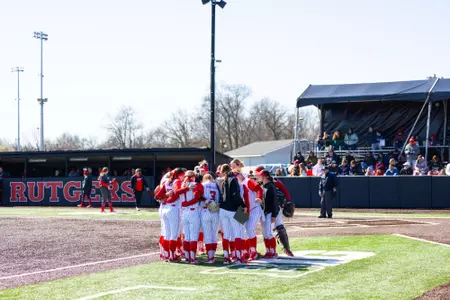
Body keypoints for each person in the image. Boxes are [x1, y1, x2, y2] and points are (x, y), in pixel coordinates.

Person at [155, 168, 186, 262]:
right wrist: (187, 188)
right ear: (179, 174)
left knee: (167, 234)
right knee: (174, 234)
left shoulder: (167, 181)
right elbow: (176, 192)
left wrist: (166, 196)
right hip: (173, 209)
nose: (184, 176)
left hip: (165, 208)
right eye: (183, 174)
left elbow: (157, 196)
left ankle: (167, 255)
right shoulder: (177, 181)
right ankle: (172, 256)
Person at [218, 164, 246, 264]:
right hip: (233, 209)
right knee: (238, 232)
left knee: (226, 233)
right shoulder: (233, 180)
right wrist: (243, 205)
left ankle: (226, 257)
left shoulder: (219, 180)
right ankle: (238, 257)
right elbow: (236, 195)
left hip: (222, 209)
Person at [179, 170, 204, 264]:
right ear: (193, 176)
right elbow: (197, 197)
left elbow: (177, 193)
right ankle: (193, 258)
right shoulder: (197, 185)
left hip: (184, 212)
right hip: (193, 211)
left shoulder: (182, 185)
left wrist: (184, 203)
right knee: (193, 236)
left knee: (186, 236)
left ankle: (187, 258)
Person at [255, 169, 279, 258]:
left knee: (268, 232)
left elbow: (274, 202)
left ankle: (273, 251)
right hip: (264, 212)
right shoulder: (263, 186)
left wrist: (274, 215)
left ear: (265, 176)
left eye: (260, 175)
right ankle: (268, 250)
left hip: (269, 212)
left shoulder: (270, 187)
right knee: (265, 232)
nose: (258, 177)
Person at [201, 174, 221, 264]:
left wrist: (207, 202)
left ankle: (210, 257)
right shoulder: (217, 185)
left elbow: (199, 197)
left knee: (208, 235)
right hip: (216, 211)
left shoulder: (203, 185)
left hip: (206, 210)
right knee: (214, 235)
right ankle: (212, 256)